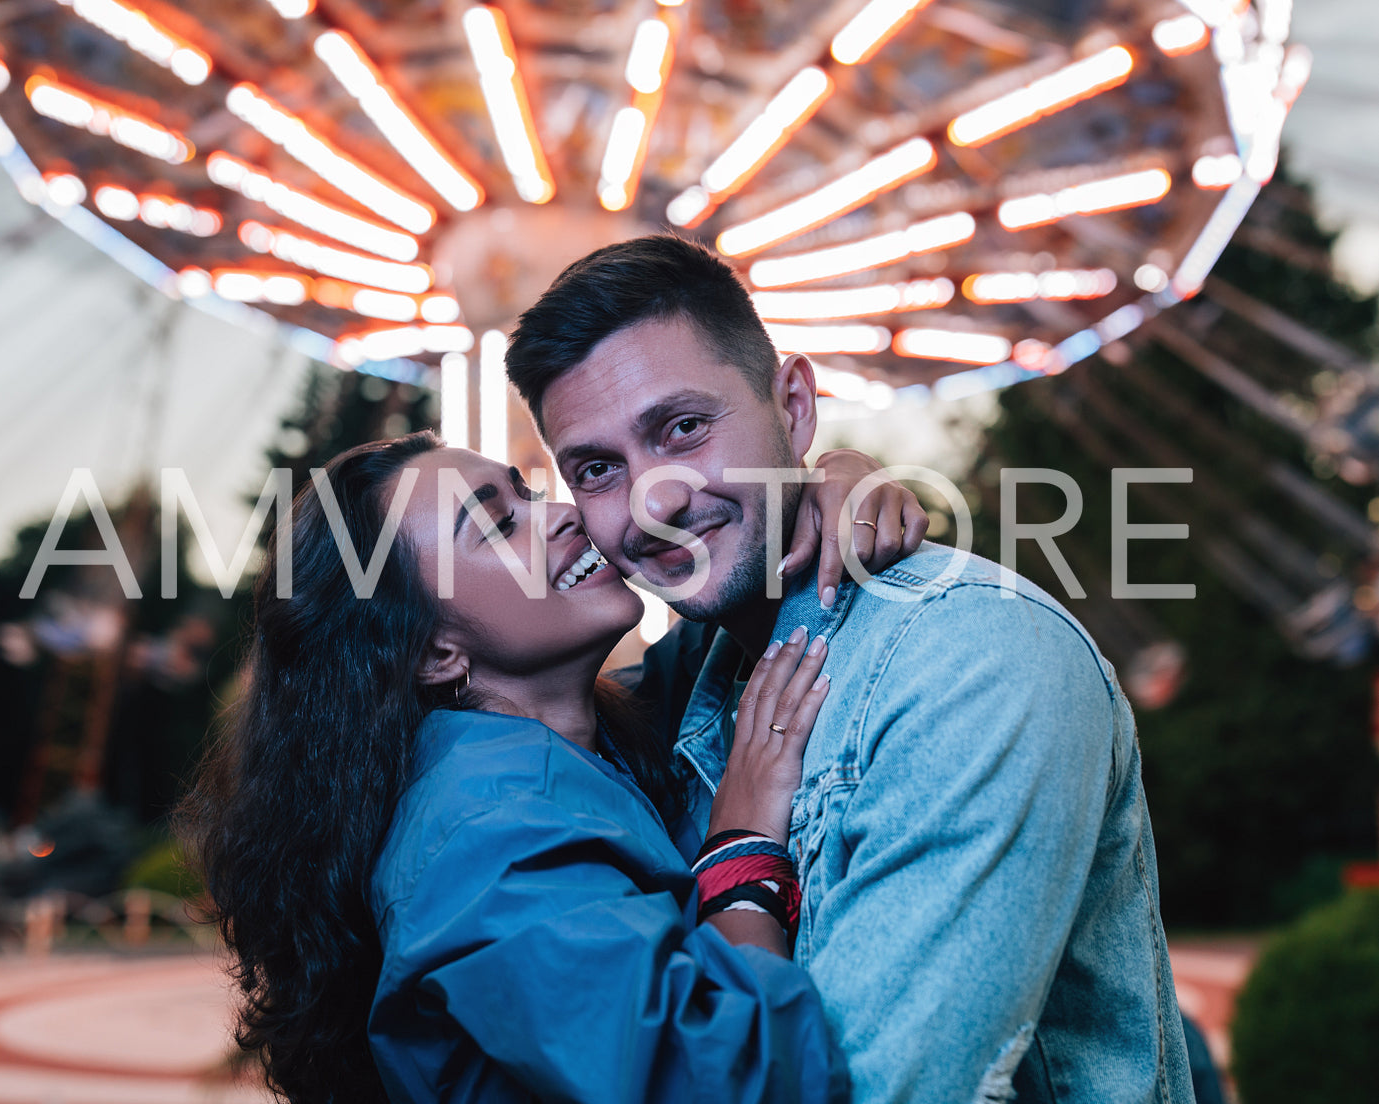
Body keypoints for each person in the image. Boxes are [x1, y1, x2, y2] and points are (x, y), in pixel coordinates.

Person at [505, 234, 1197, 1103]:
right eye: (598, 468)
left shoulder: (970, 664)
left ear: (793, 407)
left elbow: (889, 1086)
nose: (657, 502)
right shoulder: (688, 682)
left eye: (683, 427)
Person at [179, 432, 925, 1103]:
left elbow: (753, 595)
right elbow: (741, 1084)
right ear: (436, 653)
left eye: (528, 493)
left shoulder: (599, 731)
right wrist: (739, 848)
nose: (562, 514)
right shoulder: (488, 840)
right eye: (499, 524)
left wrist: (832, 480)